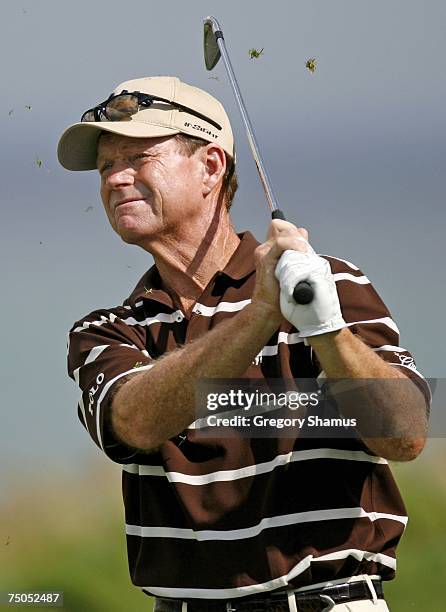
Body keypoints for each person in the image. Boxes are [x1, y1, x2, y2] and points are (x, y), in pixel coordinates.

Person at [58, 76, 430, 612]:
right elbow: (136, 424)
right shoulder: (109, 331)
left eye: (138, 157)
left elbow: (406, 435)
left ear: (211, 167)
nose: (116, 178)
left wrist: (326, 329)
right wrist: (261, 315)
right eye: (105, 166)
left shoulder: (330, 286)